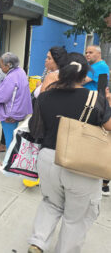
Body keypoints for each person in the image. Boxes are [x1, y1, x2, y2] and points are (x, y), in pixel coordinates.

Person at [28, 53, 111, 253]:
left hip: (48, 158)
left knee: (51, 203)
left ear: (61, 71)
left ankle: (38, 243)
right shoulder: (95, 98)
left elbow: (35, 129)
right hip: (81, 163)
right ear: (84, 75)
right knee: (77, 217)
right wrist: (108, 99)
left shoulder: (45, 96)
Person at [82, 45, 110, 196]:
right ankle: (103, 183)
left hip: (93, 108)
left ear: (99, 53)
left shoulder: (99, 66)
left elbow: (81, 82)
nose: (87, 54)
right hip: (95, 106)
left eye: (90, 52)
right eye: (86, 52)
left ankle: (103, 183)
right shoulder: (98, 66)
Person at [0, 52, 32, 148]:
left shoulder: (11, 77)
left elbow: (2, 97)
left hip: (10, 113)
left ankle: (8, 162)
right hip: (19, 110)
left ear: (8, 65)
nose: (1, 68)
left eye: (1, 65)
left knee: (9, 139)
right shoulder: (21, 71)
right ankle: (10, 160)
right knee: (12, 137)